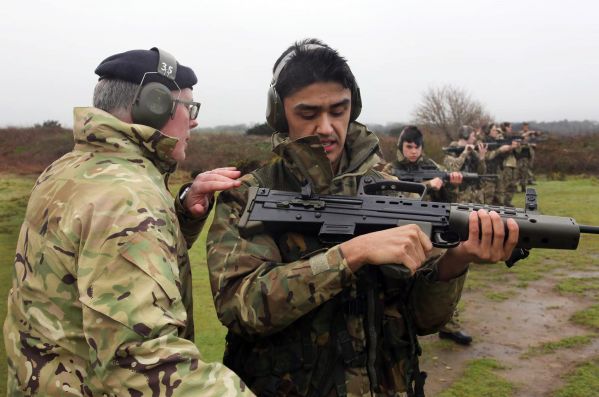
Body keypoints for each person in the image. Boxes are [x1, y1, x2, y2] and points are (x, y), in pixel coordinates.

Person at [207, 39, 519, 397]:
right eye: (308, 114)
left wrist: (457, 260)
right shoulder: (248, 195)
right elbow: (241, 307)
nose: (326, 127)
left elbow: (422, 319)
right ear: (280, 114)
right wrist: (351, 255)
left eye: (339, 110)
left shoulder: (391, 189)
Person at [3, 48, 254, 396]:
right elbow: (143, 365)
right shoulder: (128, 198)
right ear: (154, 105)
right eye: (189, 108)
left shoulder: (67, 169)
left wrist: (180, 210)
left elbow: (101, 263)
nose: (194, 121)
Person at [383, 126, 463, 203]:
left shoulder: (432, 166)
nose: (414, 151)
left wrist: (453, 186)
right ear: (401, 147)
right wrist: (427, 186)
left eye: (417, 147)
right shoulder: (391, 169)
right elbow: (386, 196)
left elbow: (449, 202)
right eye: (409, 147)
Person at [443, 125, 488, 203]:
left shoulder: (473, 152)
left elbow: (481, 173)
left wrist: (481, 158)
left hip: (475, 198)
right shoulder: (450, 152)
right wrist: (465, 152)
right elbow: (453, 169)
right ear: (466, 135)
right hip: (460, 198)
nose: (474, 138)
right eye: (473, 136)